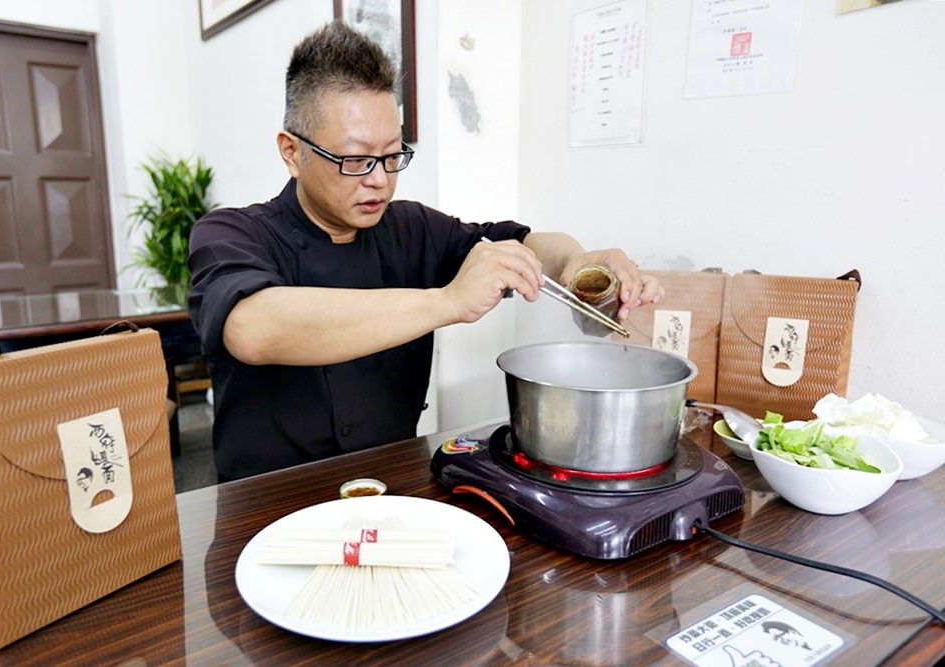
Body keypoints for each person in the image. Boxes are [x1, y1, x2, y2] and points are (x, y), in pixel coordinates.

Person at [188, 21, 663, 482]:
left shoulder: (411, 227)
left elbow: (520, 244)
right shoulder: (231, 233)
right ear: (292, 151)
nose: (379, 179)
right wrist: (447, 302)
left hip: (391, 489)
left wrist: (578, 261)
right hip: (263, 509)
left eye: (393, 155)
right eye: (354, 159)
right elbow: (253, 327)